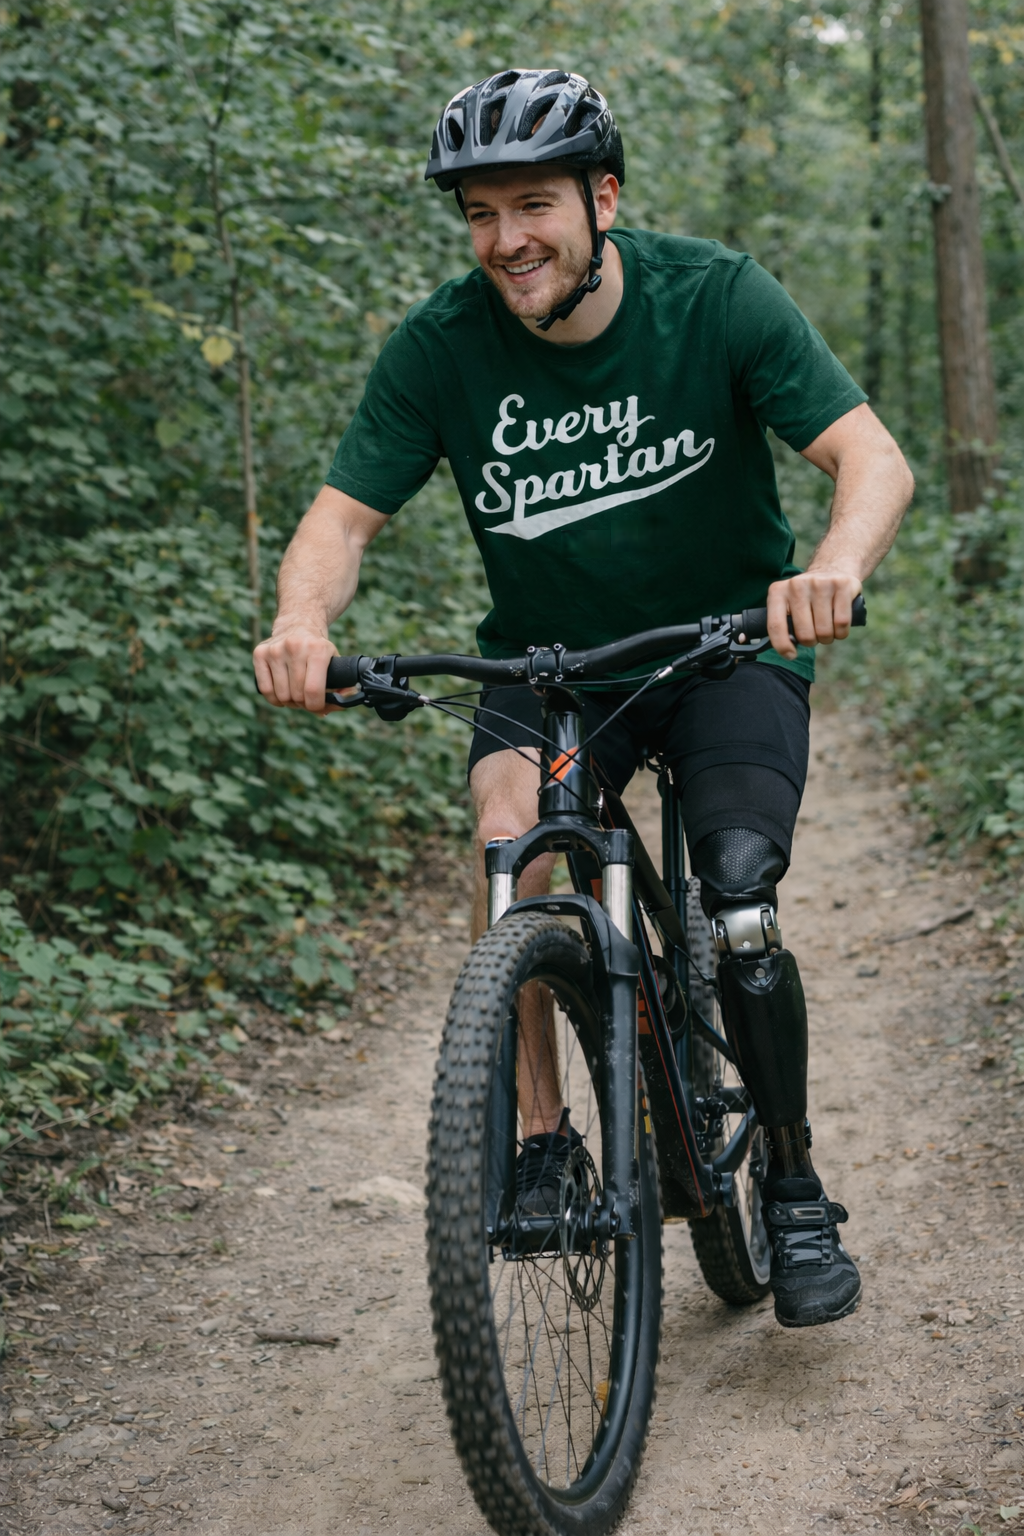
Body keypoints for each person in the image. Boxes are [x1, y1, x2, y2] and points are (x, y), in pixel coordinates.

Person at [253, 68, 914, 1329]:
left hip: (723, 649)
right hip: (547, 668)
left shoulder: (714, 297)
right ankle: (547, 1142)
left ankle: (790, 1183)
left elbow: (867, 455)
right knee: (514, 843)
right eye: (481, 214)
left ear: (602, 197)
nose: (506, 240)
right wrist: (302, 621)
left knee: (738, 894)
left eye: (534, 205)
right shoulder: (442, 347)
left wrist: (830, 567)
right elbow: (341, 519)